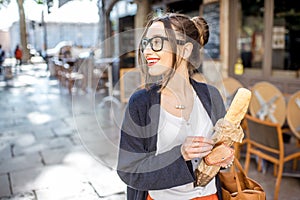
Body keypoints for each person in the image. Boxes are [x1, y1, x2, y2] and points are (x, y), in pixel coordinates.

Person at [117, 13, 236, 200]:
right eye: (145, 44)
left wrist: (224, 158)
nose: (147, 51)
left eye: (156, 43)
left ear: (185, 50)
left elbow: (221, 148)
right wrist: (180, 154)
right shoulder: (140, 102)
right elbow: (129, 170)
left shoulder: (211, 96)